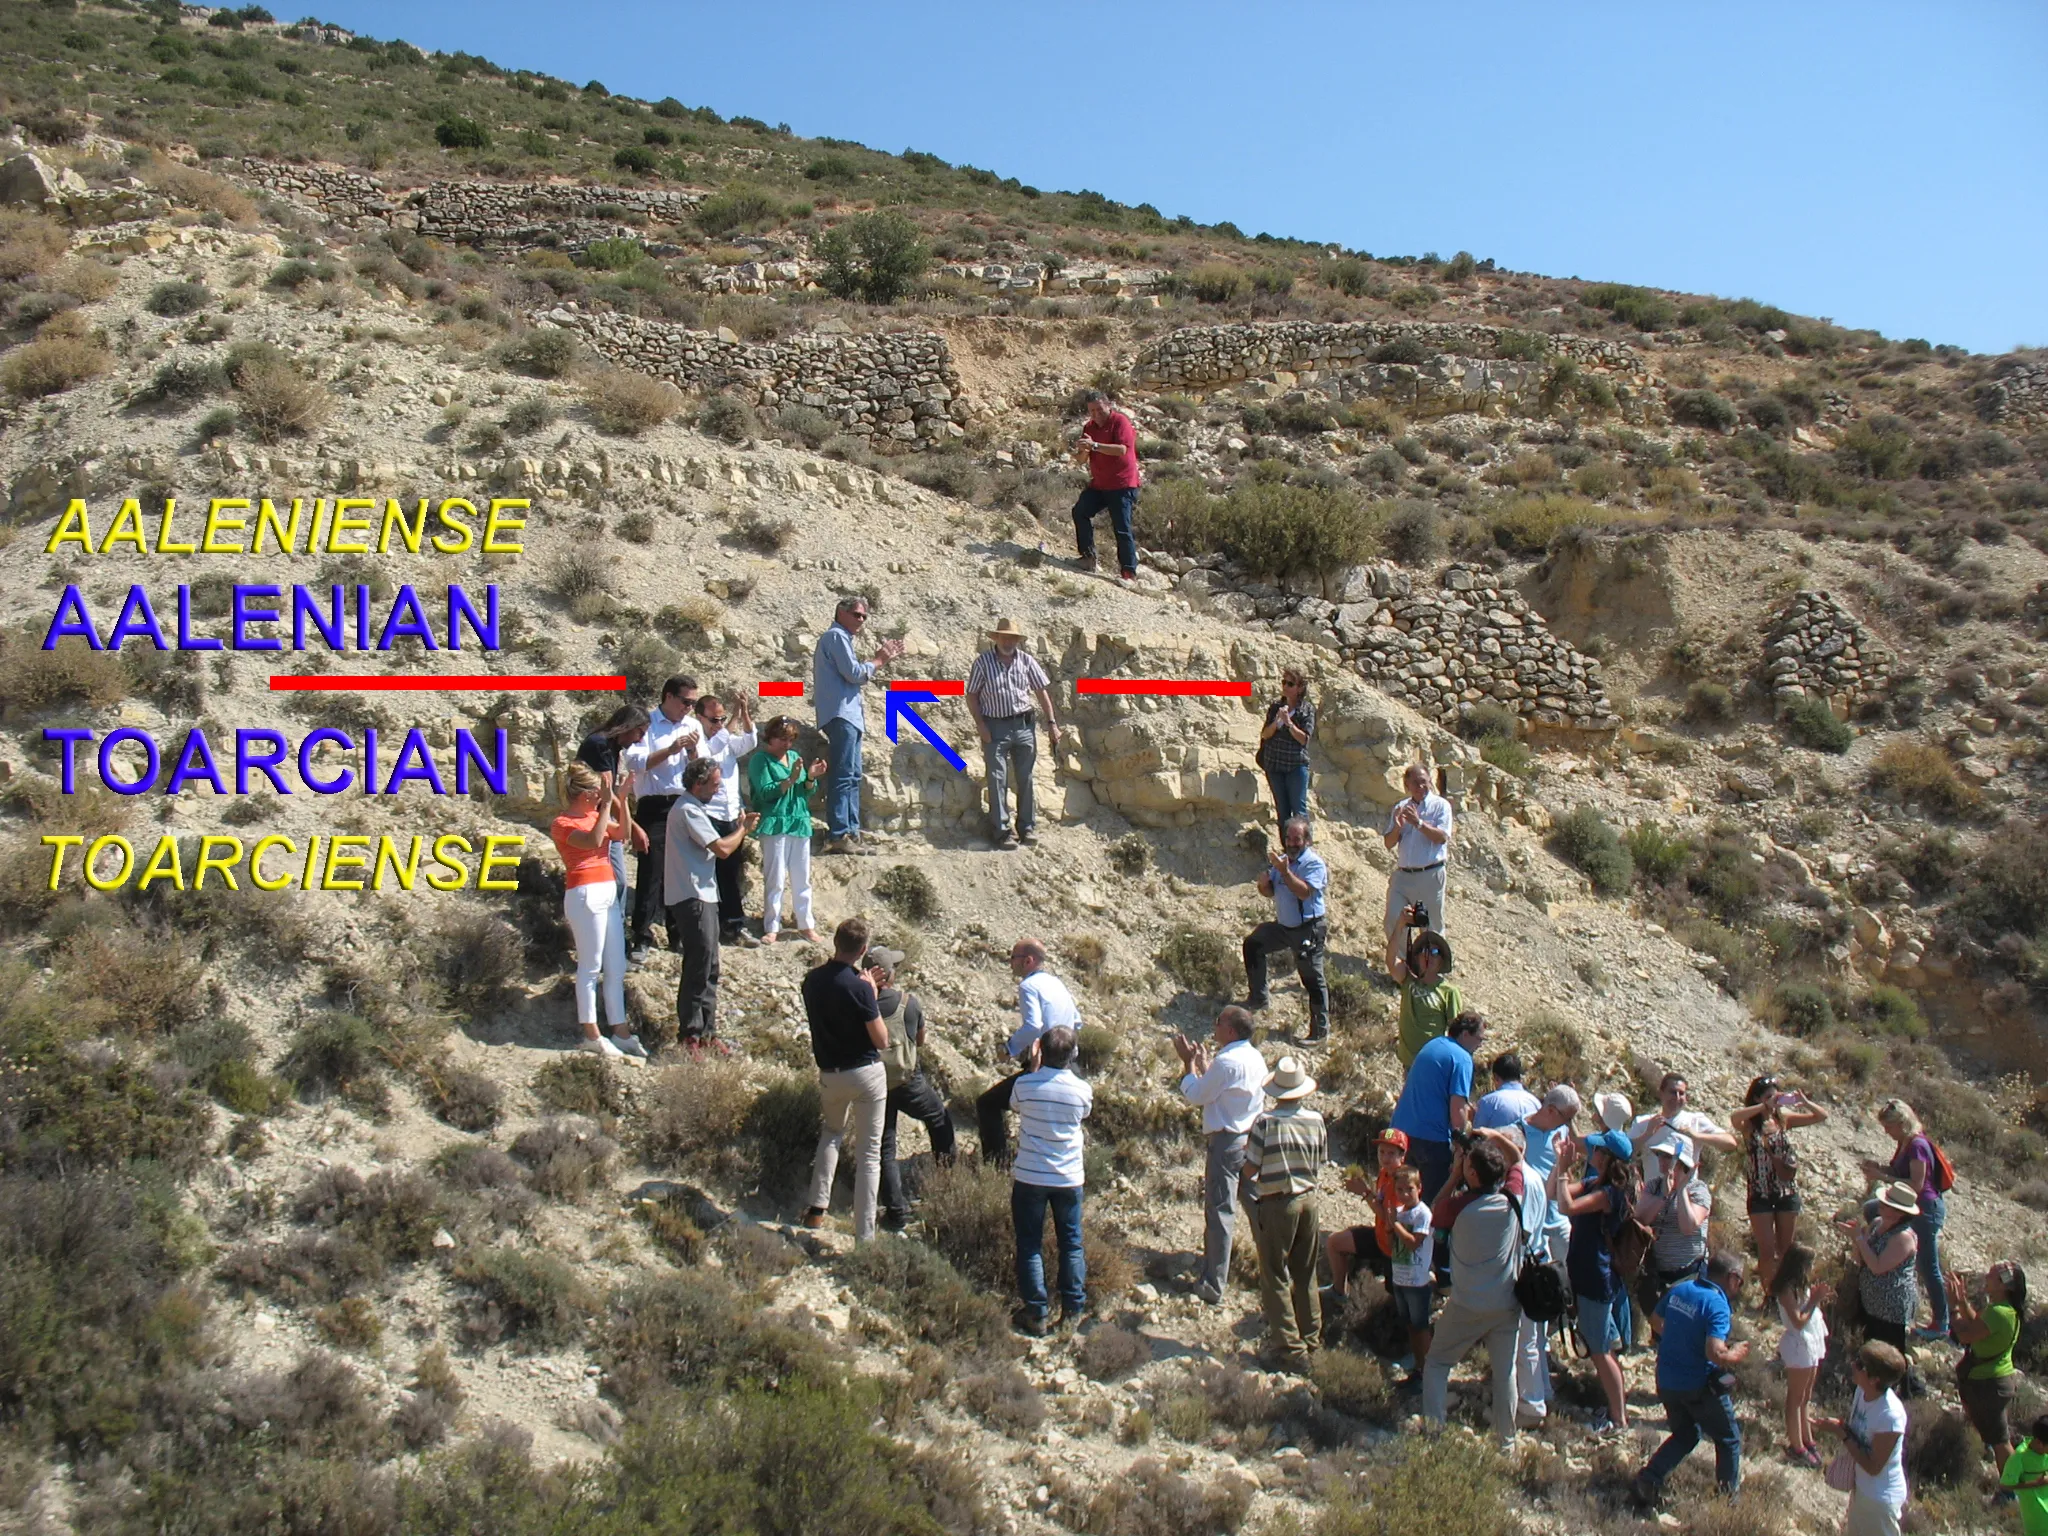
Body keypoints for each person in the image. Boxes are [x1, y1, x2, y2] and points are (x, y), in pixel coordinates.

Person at [1420, 1138, 1522, 1449]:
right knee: (1505, 1373)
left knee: (1437, 1363)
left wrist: (1453, 1176)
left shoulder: (1457, 1207)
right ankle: (1507, 1444)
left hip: (1466, 1304)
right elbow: (1517, 1159)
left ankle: (1434, 1435)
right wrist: (1494, 1137)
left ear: (1473, 1175)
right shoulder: (1512, 1199)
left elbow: (1434, 1211)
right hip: (1507, 1302)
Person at [1632, 1250, 1750, 1505]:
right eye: (1740, 1282)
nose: (1740, 1288)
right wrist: (1734, 1355)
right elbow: (1715, 1352)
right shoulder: (1717, 1304)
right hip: (1698, 1385)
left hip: (1667, 1381)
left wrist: (1682, 1339)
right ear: (1732, 1278)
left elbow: (1655, 1319)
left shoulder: (1681, 1290)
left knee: (1686, 1435)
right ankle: (1728, 1505)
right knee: (1728, 1439)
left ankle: (1649, 1478)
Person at [800, 917, 890, 1243]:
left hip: (830, 1072)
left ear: (834, 942)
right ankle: (864, 1235)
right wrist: (870, 993)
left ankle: (816, 1209)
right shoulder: (859, 987)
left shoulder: (811, 981)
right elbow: (881, 1040)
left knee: (832, 1133)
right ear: (863, 950)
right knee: (869, 1155)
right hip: (865, 1073)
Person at [1172, 1004, 1268, 1306]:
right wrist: (1204, 1066)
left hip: (1226, 1143)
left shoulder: (1227, 1061)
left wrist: (1188, 1064)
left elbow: (1198, 1095)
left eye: (1218, 1022)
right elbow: (1223, 1088)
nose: (1214, 1026)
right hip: (1252, 1140)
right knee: (1258, 1208)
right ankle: (1276, 1272)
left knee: (1220, 1211)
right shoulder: (1254, 1057)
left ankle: (1213, 1283)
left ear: (1230, 1029)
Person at [1497, 1086, 1581, 1431]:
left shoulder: (1558, 1134)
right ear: (1549, 1109)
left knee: (1532, 1328)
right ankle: (1538, 1392)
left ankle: (1533, 1400)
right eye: (1566, 1118)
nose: (1568, 1126)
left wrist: (1562, 1169)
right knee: (1532, 1327)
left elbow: (1551, 1190)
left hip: (1541, 1238)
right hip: (1531, 1236)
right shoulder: (1518, 1133)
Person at [1239, 1055, 1326, 1372]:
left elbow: (1251, 1168)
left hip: (1278, 1202)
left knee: (1274, 1274)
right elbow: (1320, 1162)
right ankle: (1312, 1339)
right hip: (1309, 1199)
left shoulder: (1265, 1123)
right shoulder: (1316, 1120)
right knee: (1305, 1273)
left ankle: (1290, 1349)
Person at [665, 757, 757, 1051]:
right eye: (715, 784)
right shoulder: (688, 809)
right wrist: (743, 828)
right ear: (698, 783)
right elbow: (722, 849)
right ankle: (690, 1035)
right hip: (691, 896)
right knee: (699, 964)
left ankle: (707, 1032)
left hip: (704, 895)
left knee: (710, 964)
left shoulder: (694, 809)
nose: (718, 790)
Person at [549, 764, 640, 1058]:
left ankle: (620, 1030)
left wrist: (621, 801)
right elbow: (591, 841)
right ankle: (591, 1032)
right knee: (590, 966)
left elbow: (622, 833)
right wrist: (605, 809)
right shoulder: (563, 822)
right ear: (587, 794)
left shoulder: (593, 815)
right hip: (584, 892)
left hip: (606, 891)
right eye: (597, 792)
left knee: (616, 965)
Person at [867, 944, 957, 1234]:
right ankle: (946, 1186)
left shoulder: (858, 1002)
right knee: (939, 1120)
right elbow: (919, 1041)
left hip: (874, 1082)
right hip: (907, 1080)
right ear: (889, 974)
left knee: (885, 1146)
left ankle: (896, 1212)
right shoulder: (909, 1002)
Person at [1011, 1024, 1093, 1336]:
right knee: (1071, 1243)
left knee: (1030, 1243)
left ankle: (1036, 1312)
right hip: (1069, 1177)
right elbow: (1084, 1113)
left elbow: (1015, 1105)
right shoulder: (1082, 1090)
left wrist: (1033, 1068)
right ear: (1073, 1055)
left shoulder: (1025, 1085)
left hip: (1030, 1174)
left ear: (1040, 1052)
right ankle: (1072, 1310)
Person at [1559, 1127, 1640, 1434]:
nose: (1591, 1152)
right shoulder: (1600, 1184)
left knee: (1600, 1351)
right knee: (1603, 1348)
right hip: (1592, 1273)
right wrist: (1560, 1169)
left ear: (1607, 1158)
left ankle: (1618, 1419)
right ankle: (1615, 1408)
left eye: (1598, 1150)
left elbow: (1566, 1206)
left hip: (1595, 1277)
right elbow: (1560, 1194)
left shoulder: (1608, 1194)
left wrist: (1564, 1170)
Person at [811, 595, 906, 855]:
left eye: (864, 616)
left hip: (848, 716)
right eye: (857, 614)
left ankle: (850, 833)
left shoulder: (841, 639)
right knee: (843, 776)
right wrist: (879, 660)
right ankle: (839, 833)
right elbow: (854, 673)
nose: (861, 620)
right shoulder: (836, 637)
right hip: (841, 715)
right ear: (841, 613)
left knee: (851, 776)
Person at [975, 938, 1081, 1167]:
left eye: (1013, 958)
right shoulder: (1056, 983)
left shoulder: (1028, 987)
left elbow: (1033, 1025)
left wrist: (1009, 1048)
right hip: (1068, 1063)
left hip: (1044, 1065)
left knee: (987, 1104)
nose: (1010, 963)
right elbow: (1077, 1022)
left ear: (1028, 961)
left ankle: (998, 1165)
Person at [620, 674, 700, 962]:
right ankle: (641, 935)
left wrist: (691, 751)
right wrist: (671, 749)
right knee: (651, 871)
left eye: (693, 703)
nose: (689, 708)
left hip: (682, 802)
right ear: (668, 697)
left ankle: (677, 934)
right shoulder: (648, 723)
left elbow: (699, 768)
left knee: (680, 872)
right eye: (685, 702)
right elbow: (636, 763)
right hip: (653, 804)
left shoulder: (692, 725)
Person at [1729, 1074, 1827, 1303]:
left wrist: (1803, 1102)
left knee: (1786, 1248)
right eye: (1768, 1096)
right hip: (1760, 1193)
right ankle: (1769, 1295)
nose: (1774, 1101)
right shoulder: (1749, 1125)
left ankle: (1786, 1295)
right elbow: (1734, 1117)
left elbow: (1821, 1116)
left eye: (1776, 1095)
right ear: (1757, 1098)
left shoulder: (1782, 1119)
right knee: (1766, 1250)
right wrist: (1762, 1107)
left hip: (1786, 1192)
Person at [965, 618, 1060, 851]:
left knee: (1025, 778)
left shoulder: (1026, 661)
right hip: (995, 727)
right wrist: (980, 725)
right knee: (997, 779)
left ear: (1018, 640)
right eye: (1004, 637)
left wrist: (1052, 723)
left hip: (1024, 726)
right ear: (996, 638)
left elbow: (1041, 691)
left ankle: (1027, 827)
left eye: (1013, 638)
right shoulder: (983, 663)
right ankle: (1002, 831)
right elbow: (972, 695)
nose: (1009, 642)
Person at [1859, 1100, 1949, 1342]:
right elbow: (1900, 1173)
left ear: (1901, 1123)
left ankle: (1941, 1321)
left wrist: (1881, 1177)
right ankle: (1886, 1249)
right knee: (1871, 1210)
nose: (1886, 1132)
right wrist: (1881, 1169)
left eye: (1889, 1127)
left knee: (1928, 1266)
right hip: (1908, 1205)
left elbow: (1916, 1184)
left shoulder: (1917, 1145)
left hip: (1924, 1208)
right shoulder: (1905, 1143)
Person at [1242, 814, 1330, 1044]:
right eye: (1288, 838)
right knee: (1254, 944)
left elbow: (1303, 892)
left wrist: (1284, 872)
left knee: (1311, 977)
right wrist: (1263, 884)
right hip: (1284, 927)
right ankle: (1258, 998)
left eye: (1297, 838)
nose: (1291, 843)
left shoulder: (1314, 864)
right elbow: (1270, 892)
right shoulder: (1281, 862)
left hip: (1309, 928)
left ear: (1307, 840)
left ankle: (1320, 1031)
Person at [1389, 1011, 1485, 1210]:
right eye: (1479, 1039)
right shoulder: (1462, 1058)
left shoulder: (1434, 1044)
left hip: (1401, 1133)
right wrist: (1461, 1144)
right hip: (1432, 1141)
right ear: (1466, 1034)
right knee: (1431, 1205)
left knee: (1402, 1198)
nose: (1480, 1045)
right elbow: (1457, 1109)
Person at [1814, 1342, 1909, 1536]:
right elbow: (1858, 1435)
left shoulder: (1890, 1415)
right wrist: (1838, 1426)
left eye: (1860, 1364)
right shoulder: (1862, 1392)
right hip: (1862, 1491)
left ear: (1874, 1379)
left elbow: (1874, 1466)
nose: (1853, 1364)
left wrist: (1841, 1433)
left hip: (1880, 1499)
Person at [746, 715, 825, 943]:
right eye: (782, 739)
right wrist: (790, 779)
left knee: (802, 877)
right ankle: (772, 925)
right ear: (769, 738)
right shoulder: (760, 761)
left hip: (798, 820)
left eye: (790, 740)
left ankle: (806, 924)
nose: (786, 745)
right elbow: (765, 792)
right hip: (775, 822)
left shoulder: (793, 757)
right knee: (775, 877)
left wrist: (810, 776)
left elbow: (807, 791)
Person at [690, 691, 759, 947]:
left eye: (722, 719)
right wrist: (732, 720)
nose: (719, 724)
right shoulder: (700, 743)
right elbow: (712, 751)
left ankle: (733, 926)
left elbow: (750, 740)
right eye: (714, 719)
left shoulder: (726, 740)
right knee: (707, 874)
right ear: (700, 718)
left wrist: (744, 712)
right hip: (708, 814)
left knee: (730, 873)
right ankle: (708, 926)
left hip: (731, 814)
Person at [1947, 1261, 2026, 1476]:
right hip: (1994, 1381)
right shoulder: (2003, 1311)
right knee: (1997, 1438)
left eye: (1993, 1275)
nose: (1987, 1277)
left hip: (1989, 1385)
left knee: (2001, 1442)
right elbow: (1978, 1325)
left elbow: (1966, 1335)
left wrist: (1953, 1308)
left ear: (2005, 1286)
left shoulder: (1999, 1313)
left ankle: (2010, 1487)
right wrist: (1963, 1301)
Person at [1633, 1130, 1713, 1329]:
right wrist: (1663, 1197)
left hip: (1688, 1273)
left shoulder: (1698, 1190)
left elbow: (1688, 1226)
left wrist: (1681, 1190)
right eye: (1661, 1155)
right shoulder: (1653, 1187)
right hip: (1657, 1274)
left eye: (1668, 1157)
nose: (1662, 1160)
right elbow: (1640, 1217)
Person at [1839, 1184, 1923, 1371]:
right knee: (1871, 1349)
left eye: (1887, 1204)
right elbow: (1862, 1257)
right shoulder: (1877, 1224)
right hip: (1870, 1299)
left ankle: (1906, 1389)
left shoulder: (1903, 1237)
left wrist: (1859, 1239)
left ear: (1899, 1213)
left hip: (1891, 1306)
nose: (1881, 1206)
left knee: (1891, 1354)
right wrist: (1857, 1239)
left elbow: (1878, 1266)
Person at [1325, 1127, 1410, 1299]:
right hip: (1379, 1238)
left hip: (1394, 1249)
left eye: (1391, 1153)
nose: (1385, 1158)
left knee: (1396, 1299)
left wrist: (1365, 1193)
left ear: (1402, 1156)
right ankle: (1339, 1292)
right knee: (1335, 1242)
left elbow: (1390, 1221)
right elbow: (1380, 1202)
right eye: (1382, 1152)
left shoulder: (1403, 1183)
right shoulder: (1384, 1174)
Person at [577, 703, 652, 894]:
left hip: (601, 817)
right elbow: (606, 793)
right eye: (639, 732)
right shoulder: (600, 745)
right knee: (615, 883)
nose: (640, 739)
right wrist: (632, 829)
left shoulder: (610, 747)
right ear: (628, 726)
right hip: (595, 819)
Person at [1070, 388, 1141, 581]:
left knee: (1121, 527)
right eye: (1092, 411)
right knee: (1080, 511)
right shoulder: (1089, 427)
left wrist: (1094, 446)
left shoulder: (1120, 422)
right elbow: (1082, 460)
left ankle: (1128, 572)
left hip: (1122, 484)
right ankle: (1088, 557)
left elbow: (1121, 449)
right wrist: (1082, 450)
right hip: (1100, 484)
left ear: (1108, 406)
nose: (1096, 414)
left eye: (1099, 409)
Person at [1774, 1242, 1832, 1468]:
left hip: (1812, 1340)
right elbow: (1797, 1321)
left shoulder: (1800, 1285)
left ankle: (1807, 1439)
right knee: (1795, 1398)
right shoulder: (1787, 1288)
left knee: (1806, 1395)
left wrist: (1816, 1298)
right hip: (1799, 1343)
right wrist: (1815, 1301)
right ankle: (1796, 1445)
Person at [1381, 762, 1452, 941]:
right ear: (1407, 786)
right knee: (1393, 920)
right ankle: (1402, 965)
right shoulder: (1400, 807)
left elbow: (1441, 837)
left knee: (1431, 927)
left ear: (1430, 781)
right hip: (1403, 875)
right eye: (1415, 783)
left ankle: (1430, 967)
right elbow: (1388, 843)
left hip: (1430, 874)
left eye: (1424, 781)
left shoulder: (1440, 806)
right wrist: (1397, 828)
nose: (1420, 786)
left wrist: (1418, 823)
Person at [1381, 1163, 1434, 1388]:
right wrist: (1389, 1221)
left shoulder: (1423, 1213)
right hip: (1400, 1277)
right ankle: (1418, 1368)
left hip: (1417, 1281)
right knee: (1411, 1326)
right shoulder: (1401, 1213)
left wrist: (1395, 1224)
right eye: (1400, 1190)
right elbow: (1389, 1234)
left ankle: (1430, 1371)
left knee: (1421, 1326)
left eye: (1409, 1189)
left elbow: (1414, 1243)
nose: (1404, 1194)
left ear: (1419, 1189)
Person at [1385, 919, 1460, 1070]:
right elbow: (1390, 961)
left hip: (1432, 1065)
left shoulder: (1449, 992)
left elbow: (1456, 1034)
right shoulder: (1408, 980)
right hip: (1409, 1064)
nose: (1429, 957)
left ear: (1441, 960)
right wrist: (1400, 925)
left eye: (1434, 952)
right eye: (1424, 952)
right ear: (1417, 957)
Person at [1628, 1072, 1739, 1158]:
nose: (1677, 1097)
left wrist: (1697, 1136)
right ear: (1661, 1093)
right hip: (1652, 1186)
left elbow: (1730, 1143)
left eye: (1681, 1093)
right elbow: (1626, 1153)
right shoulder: (1643, 1122)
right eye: (1672, 1092)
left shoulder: (1695, 1120)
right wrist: (1647, 1134)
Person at [1257, 668, 1315, 824]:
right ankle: (1287, 847)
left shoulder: (1306, 710)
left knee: (1299, 812)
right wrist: (1277, 722)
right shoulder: (1276, 707)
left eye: (1290, 683)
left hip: (1295, 766)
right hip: (1274, 765)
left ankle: (1303, 848)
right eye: (1284, 682)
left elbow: (1304, 739)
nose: (1285, 687)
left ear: (1300, 688)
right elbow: (1265, 734)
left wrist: (1289, 724)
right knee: (1282, 813)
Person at [2000, 1412, 2048, 1536]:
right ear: (2039, 1442)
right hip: (2038, 1522)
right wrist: (2036, 1483)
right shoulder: (2019, 1458)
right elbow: (2006, 1485)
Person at [1475, 1051, 1542, 1130]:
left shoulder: (1488, 1102)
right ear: (1519, 1076)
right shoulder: (1535, 1103)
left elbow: (1478, 1134)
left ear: (1496, 1077)